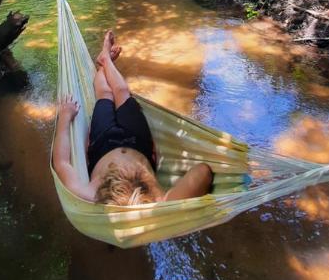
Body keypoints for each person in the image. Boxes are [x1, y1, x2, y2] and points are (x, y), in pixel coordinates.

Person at [52, 30, 214, 205]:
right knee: (122, 92)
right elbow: (204, 171)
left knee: (105, 94)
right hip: (139, 142)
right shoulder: (159, 203)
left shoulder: (93, 197)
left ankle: (103, 64)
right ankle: (106, 60)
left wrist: (65, 117)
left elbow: (61, 163)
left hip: (102, 144)